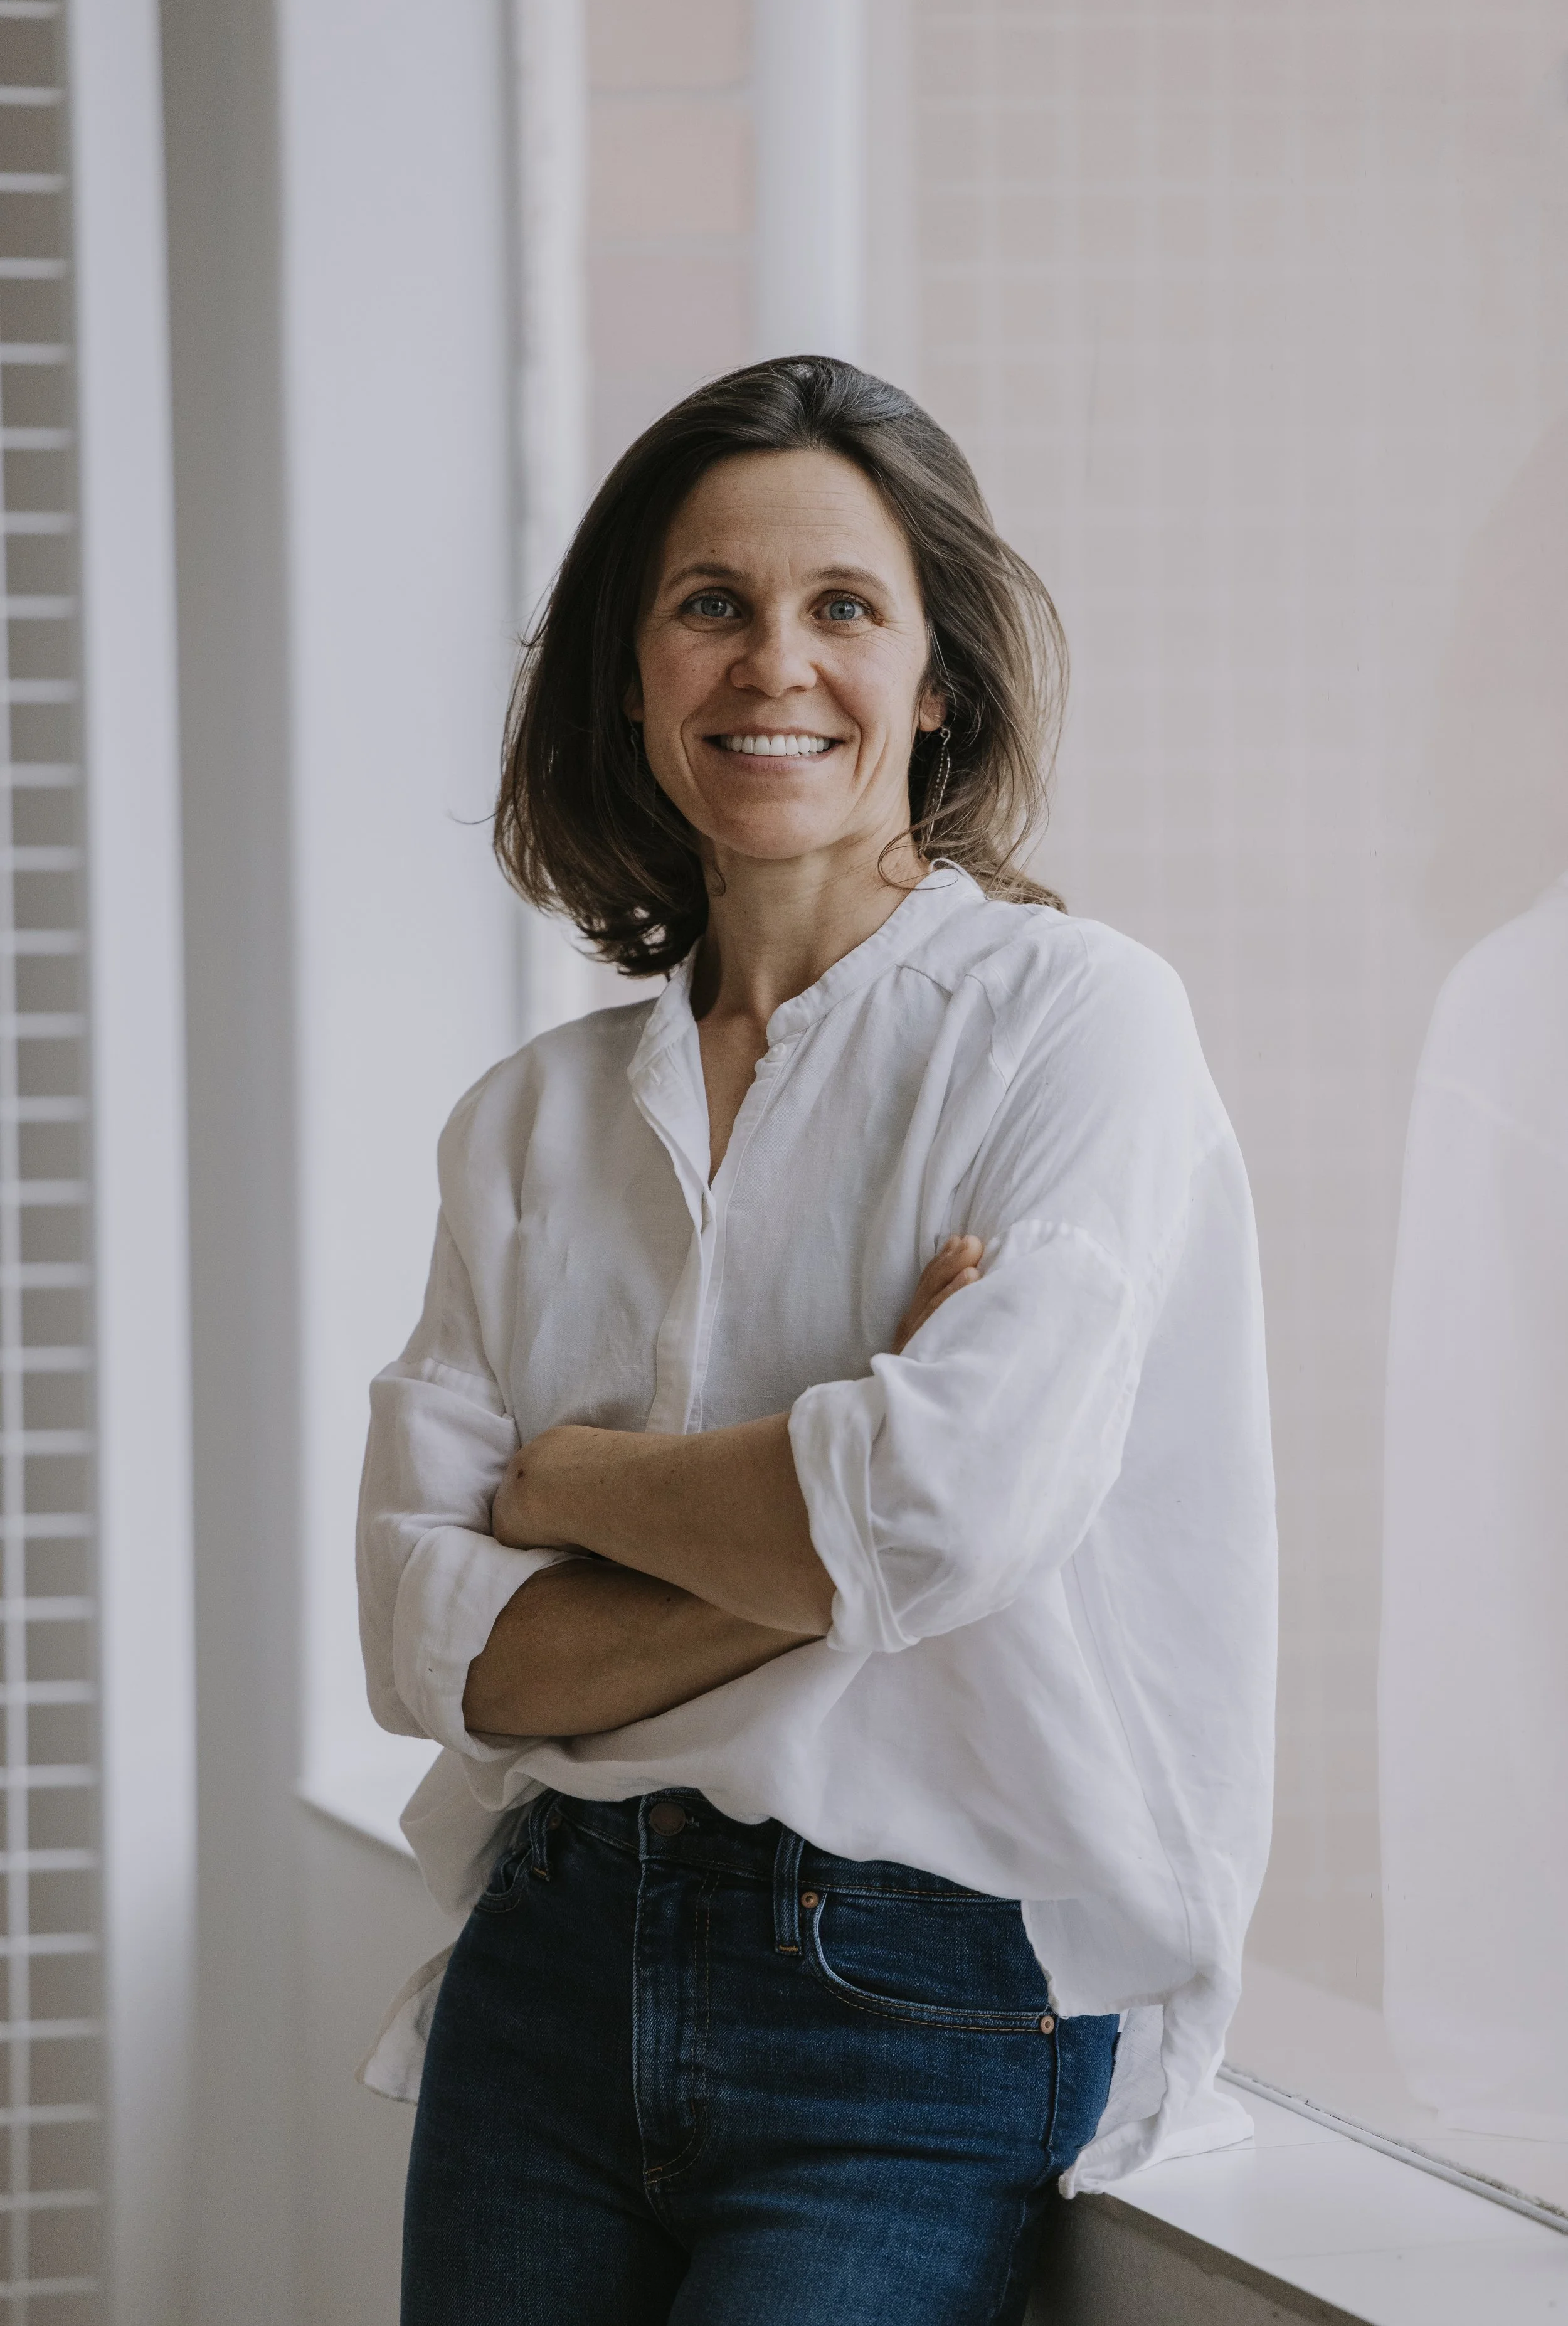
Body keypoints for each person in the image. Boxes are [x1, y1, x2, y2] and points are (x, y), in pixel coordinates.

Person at [356, 356, 1276, 2325]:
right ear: (629, 671)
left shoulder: (1072, 1024)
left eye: (843, 605)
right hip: (547, 1974)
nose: (773, 660)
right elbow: (436, 1644)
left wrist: (571, 1486)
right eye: (710, 604)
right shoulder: (526, 1122)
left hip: (908, 2016)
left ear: (936, 678)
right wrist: (833, 1503)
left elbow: (936, 1516)